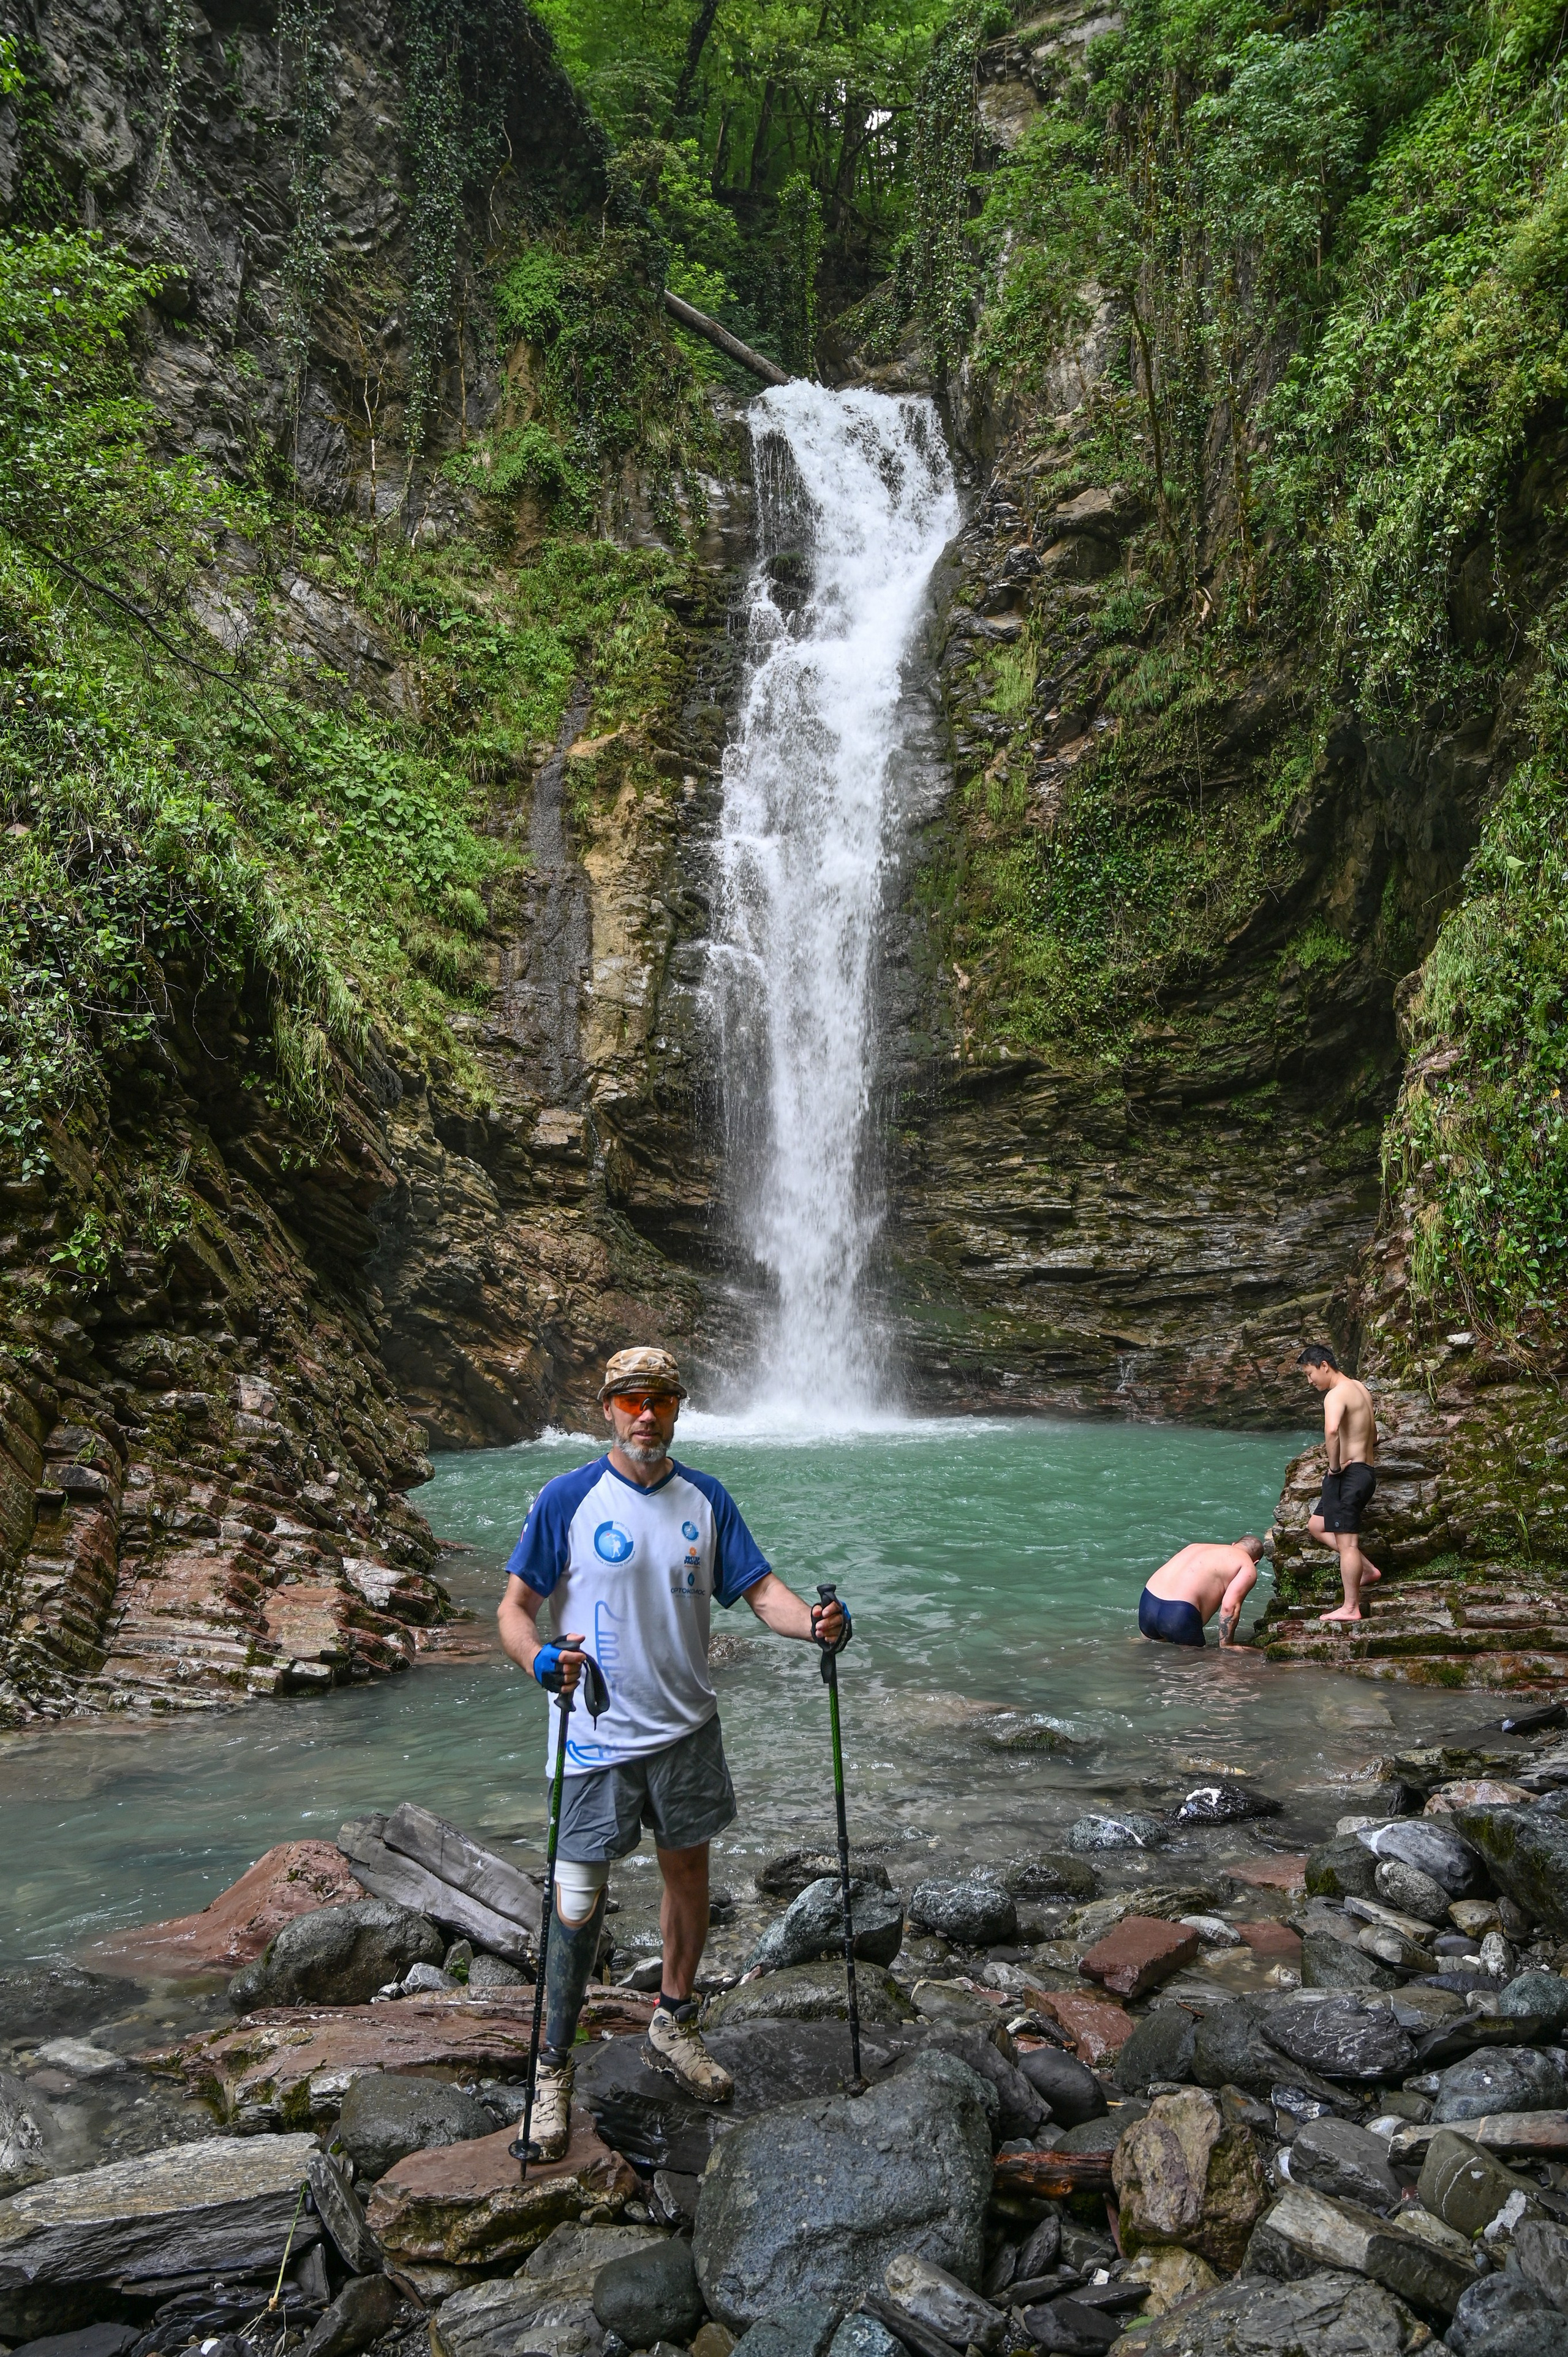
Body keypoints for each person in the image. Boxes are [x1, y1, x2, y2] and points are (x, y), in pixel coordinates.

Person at [496, 1345, 850, 2157]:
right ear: (609, 1410)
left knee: (688, 1872)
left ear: (678, 1408)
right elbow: (516, 1608)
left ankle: (674, 2019)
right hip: (594, 1736)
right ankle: (552, 2070)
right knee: (578, 1899)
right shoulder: (568, 1499)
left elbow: (761, 1592)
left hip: (687, 1729)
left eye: (659, 1399)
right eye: (630, 1401)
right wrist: (537, 1659)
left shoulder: (707, 1500)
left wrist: (817, 1626)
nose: (645, 1414)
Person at [1298, 1343, 1381, 1623]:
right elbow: (1375, 1436)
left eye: (1310, 1374)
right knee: (1316, 1524)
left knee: (1348, 1545)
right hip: (1365, 1472)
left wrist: (1335, 1467)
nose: (1310, 1381)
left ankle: (1350, 1607)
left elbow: (1332, 1430)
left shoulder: (1335, 1395)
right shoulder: (1360, 1388)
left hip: (1350, 1475)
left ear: (1324, 1366)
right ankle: (1367, 1571)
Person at [1138, 1537, 1265, 1648]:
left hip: (1148, 1603)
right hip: (1180, 1613)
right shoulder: (1247, 1565)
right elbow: (1229, 1607)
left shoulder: (1196, 1546)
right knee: (1195, 1667)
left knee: (1150, 1657)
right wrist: (1227, 1646)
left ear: (1234, 1544)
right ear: (1256, 1562)